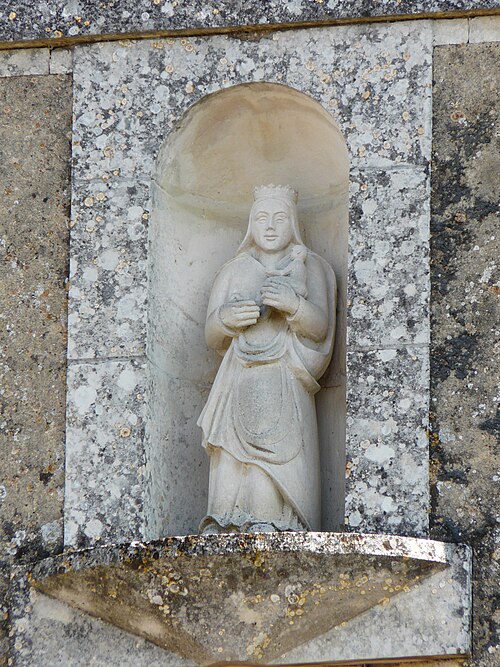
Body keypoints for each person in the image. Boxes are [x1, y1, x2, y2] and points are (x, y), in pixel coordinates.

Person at [197, 184, 336, 534]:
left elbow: (320, 328)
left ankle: (271, 520)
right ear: (250, 225)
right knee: (231, 455)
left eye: (279, 218)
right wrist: (226, 319)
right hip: (238, 377)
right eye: (261, 218)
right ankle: (224, 521)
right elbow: (211, 334)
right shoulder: (233, 270)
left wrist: (294, 306)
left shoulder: (311, 267)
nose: (270, 226)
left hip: (284, 376)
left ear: (293, 224)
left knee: (274, 456)